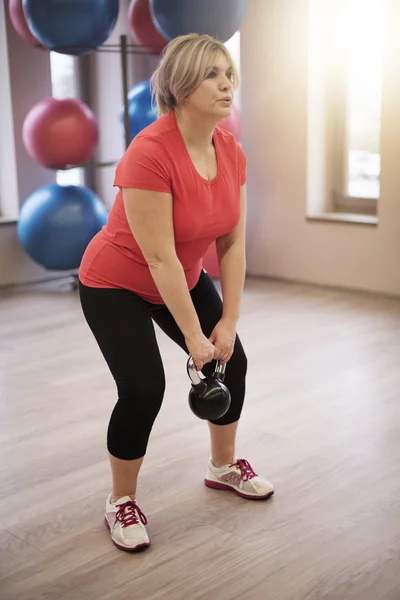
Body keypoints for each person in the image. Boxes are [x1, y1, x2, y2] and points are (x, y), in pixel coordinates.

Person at [78, 32, 274, 553]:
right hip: (115, 283)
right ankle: (121, 501)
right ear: (180, 86)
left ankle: (223, 466)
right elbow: (159, 256)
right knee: (143, 389)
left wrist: (227, 321)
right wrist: (194, 335)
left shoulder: (230, 151)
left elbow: (232, 244)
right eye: (212, 74)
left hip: (181, 278)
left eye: (228, 72)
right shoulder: (149, 153)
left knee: (233, 362)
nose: (226, 83)